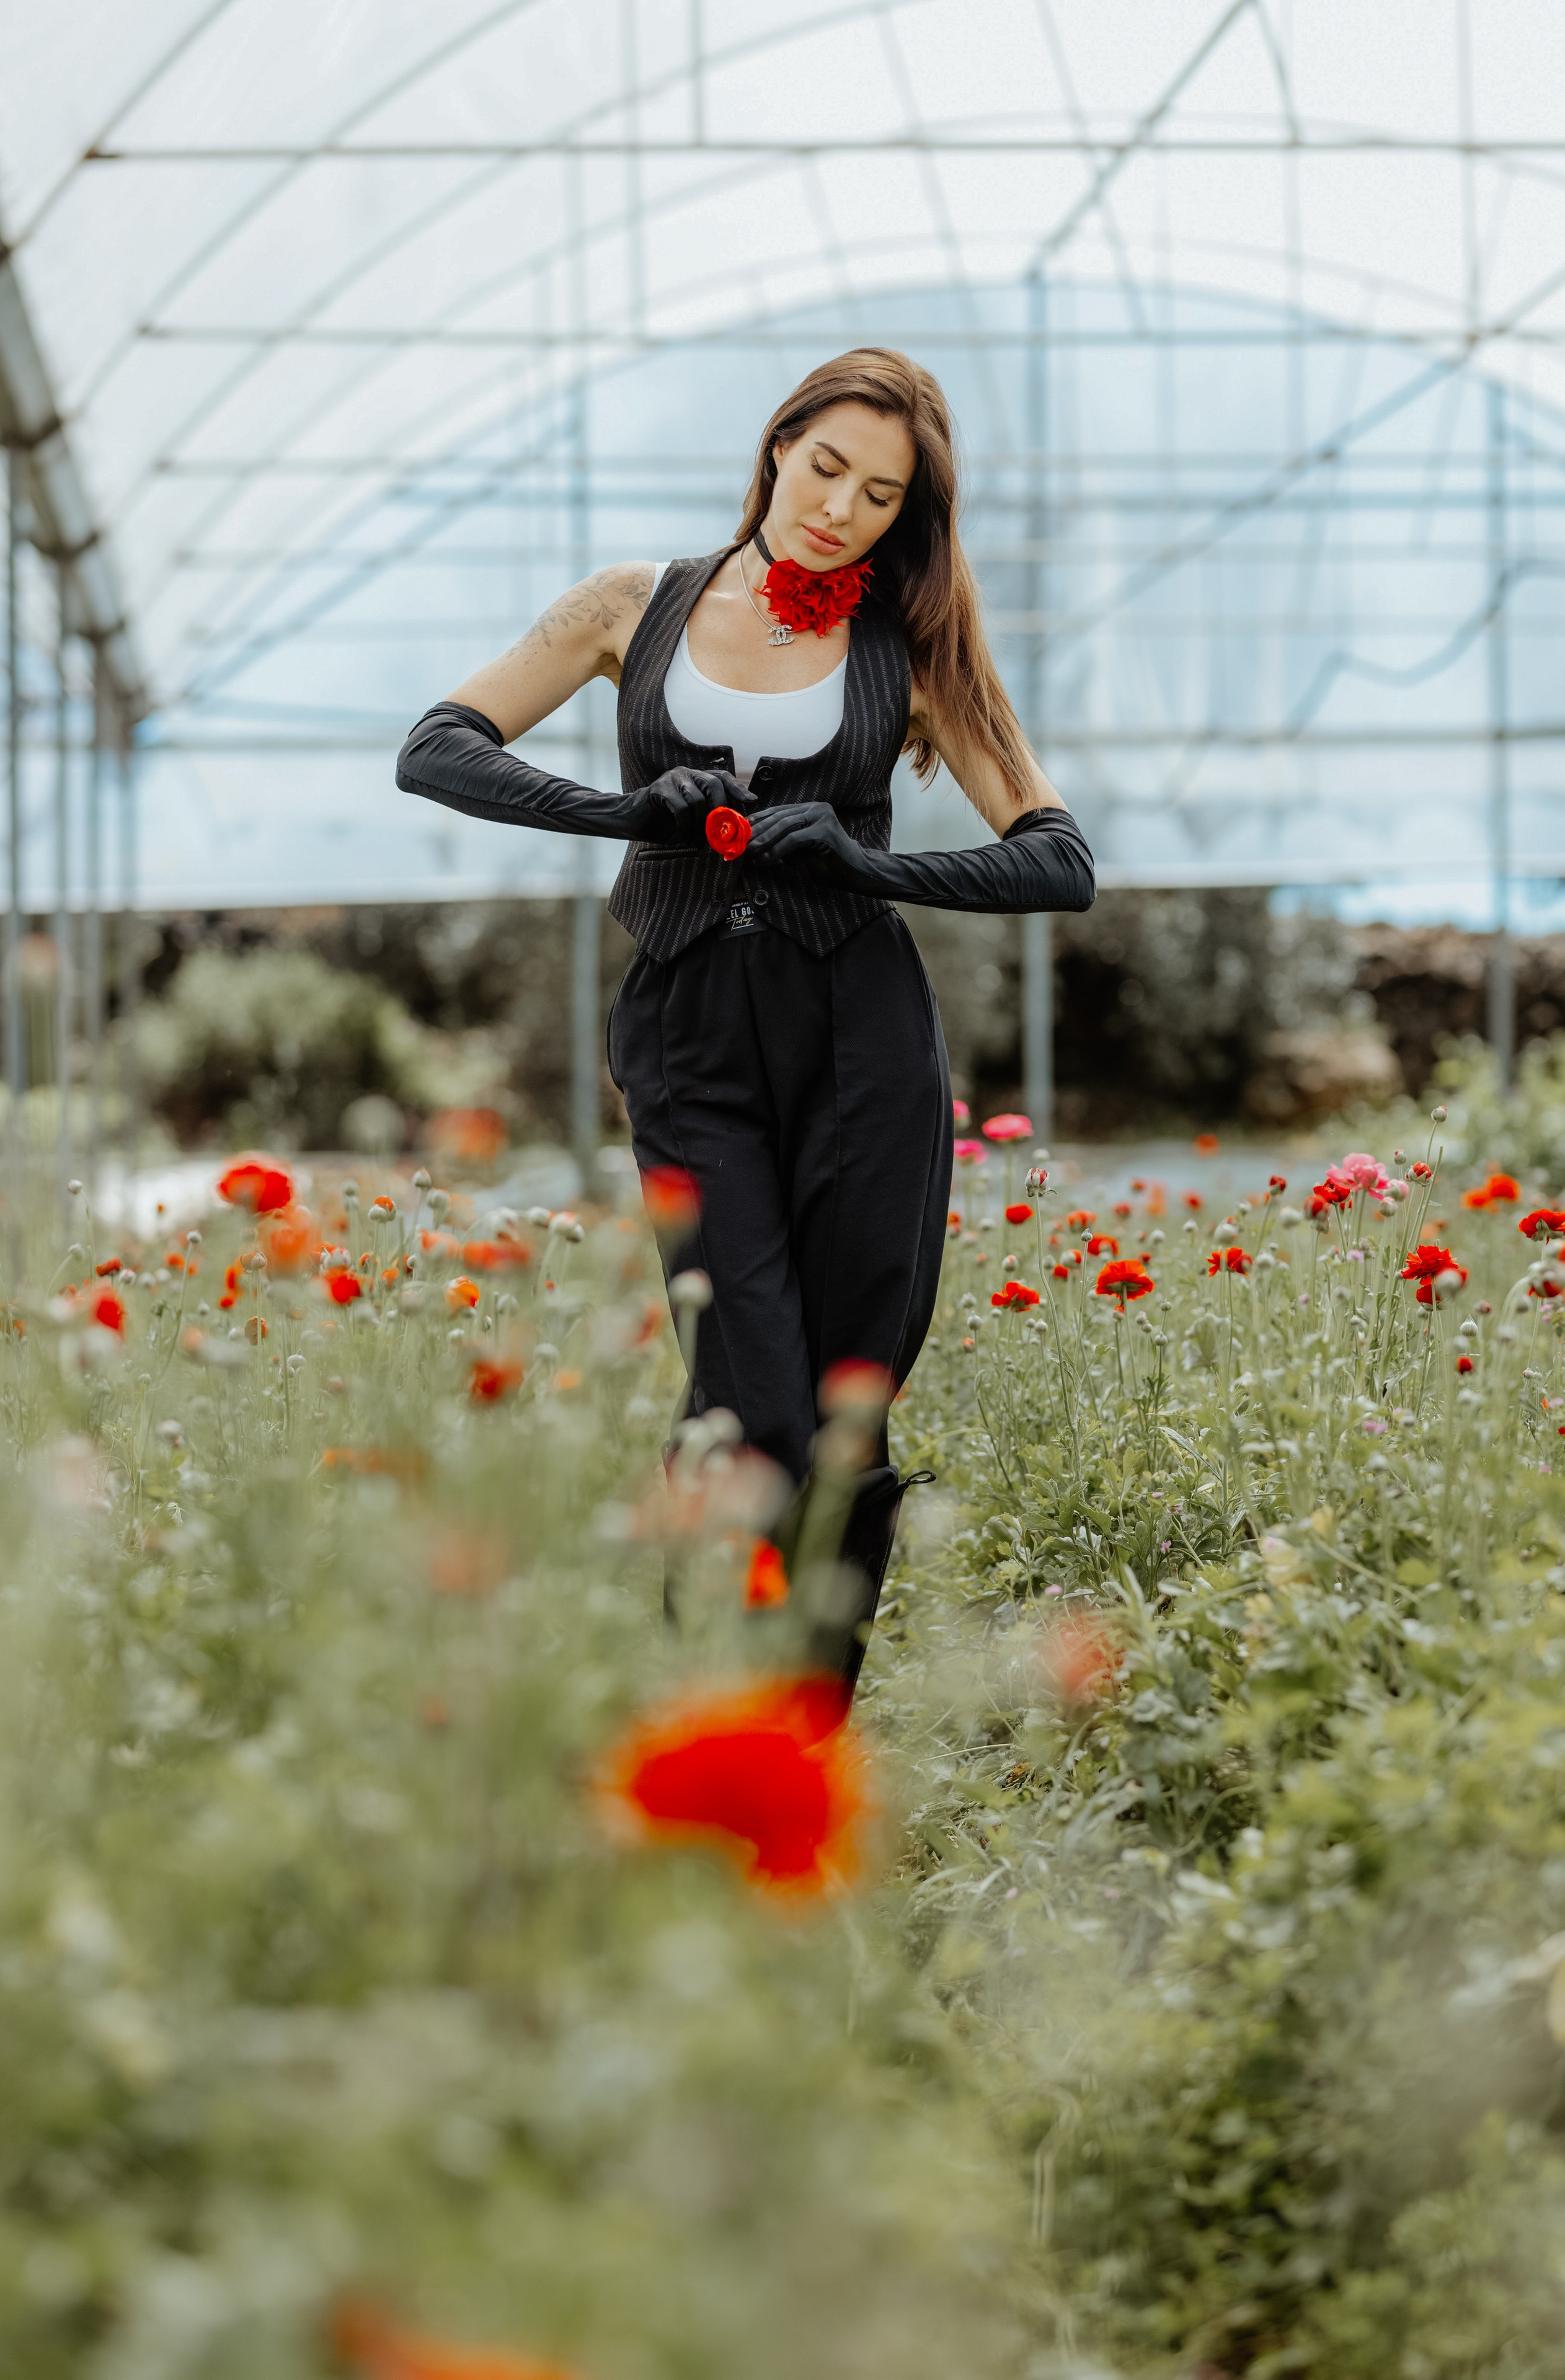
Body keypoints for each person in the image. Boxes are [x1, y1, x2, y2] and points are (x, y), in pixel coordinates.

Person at [397, 347, 1094, 1702]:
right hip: (685, 1033)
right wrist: (622, 811)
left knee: (841, 1409)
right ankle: (701, 1710)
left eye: (880, 494)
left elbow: (1056, 858)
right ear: (777, 447)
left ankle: (805, 1746)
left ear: (906, 516)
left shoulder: (912, 644)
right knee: (748, 1396)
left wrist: (861, 855)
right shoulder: (631, 604)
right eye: (824, 466)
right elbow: (439, 745)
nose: (839, 508)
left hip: (861, 1038)